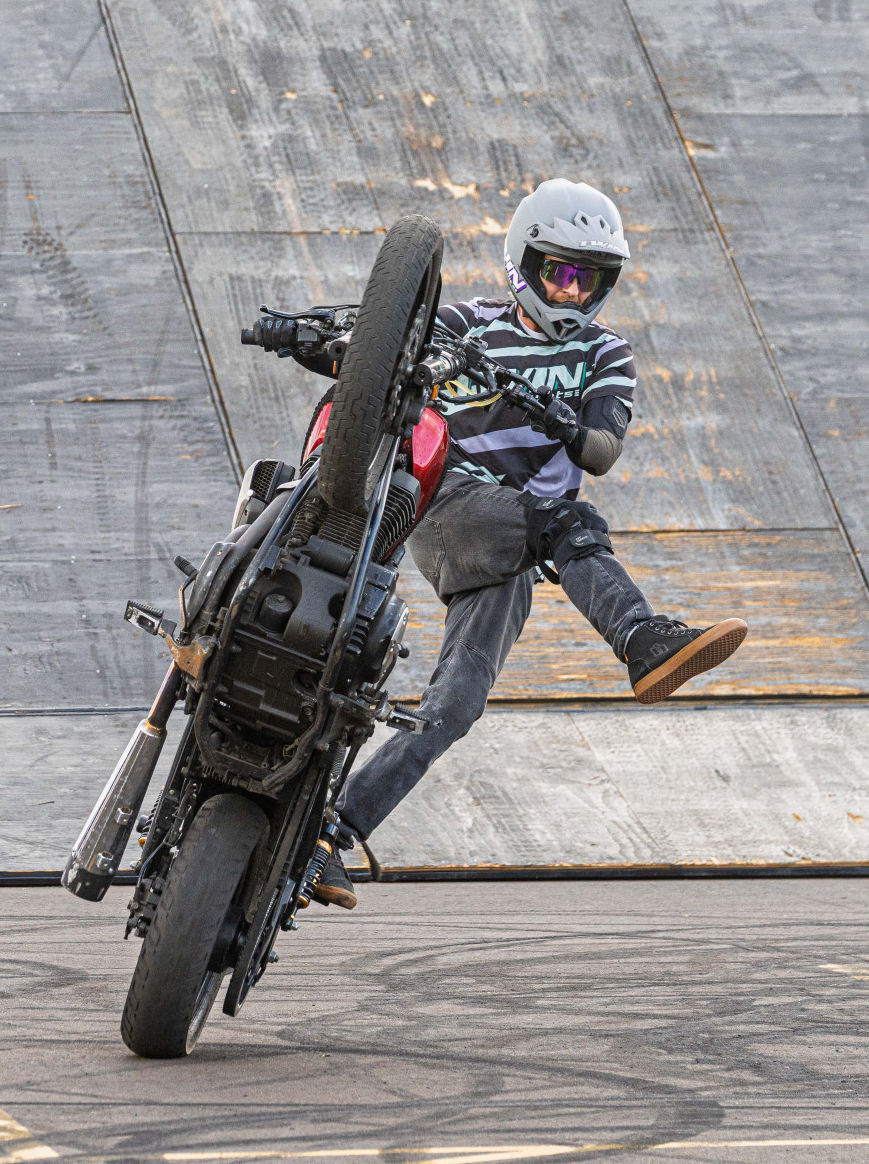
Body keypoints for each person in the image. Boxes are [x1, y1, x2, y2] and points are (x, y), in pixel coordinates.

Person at [309, 179, 747, 909]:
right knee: (568, 523)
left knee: (456, 704)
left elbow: (602, 450)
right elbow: (382, 348)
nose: (572, 292)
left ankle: (330, 834)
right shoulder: (468, 324)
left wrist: (548, 411)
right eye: (560, 273)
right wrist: (332, 340)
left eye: (588, 279)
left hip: (518, 538)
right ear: (526, 262)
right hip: (444, 504)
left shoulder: (606, 354)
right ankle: (639, 639)